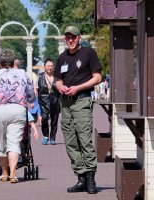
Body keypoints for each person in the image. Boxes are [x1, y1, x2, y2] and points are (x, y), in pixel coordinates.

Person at [54, 25, 102, 194]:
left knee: (84, 139)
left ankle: (90, 178)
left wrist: (78, 88)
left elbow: (97, 77)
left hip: (82, 101)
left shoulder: (88, 53)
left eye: (73, 37)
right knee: (70, 141)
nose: (70, 40)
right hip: (65, 104)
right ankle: (80, 177)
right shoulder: (62, 57)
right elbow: (57, 79)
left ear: (79, 37)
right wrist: (60, 86)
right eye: (67, 37)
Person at [0, 49, 35, 183]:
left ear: (0, 62)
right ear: (13, 62)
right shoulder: (22, 73)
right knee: (14, 142)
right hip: (17, 109)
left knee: (1, 143)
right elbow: (31, 94)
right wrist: (29, 101)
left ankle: (4, 173)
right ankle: (13, 173)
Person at [36, 58, 61, 145]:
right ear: (44, 67)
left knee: (54, 120)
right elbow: (36, 88)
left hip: (55, 100)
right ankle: (46, 135)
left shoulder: (57, 77)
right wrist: (33, 100)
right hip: (43, 101)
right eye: (48, 66)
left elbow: (60, 88)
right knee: (45, 118)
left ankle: (53, 138)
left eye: (51, 66)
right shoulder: (40, 76)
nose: (50, 67)